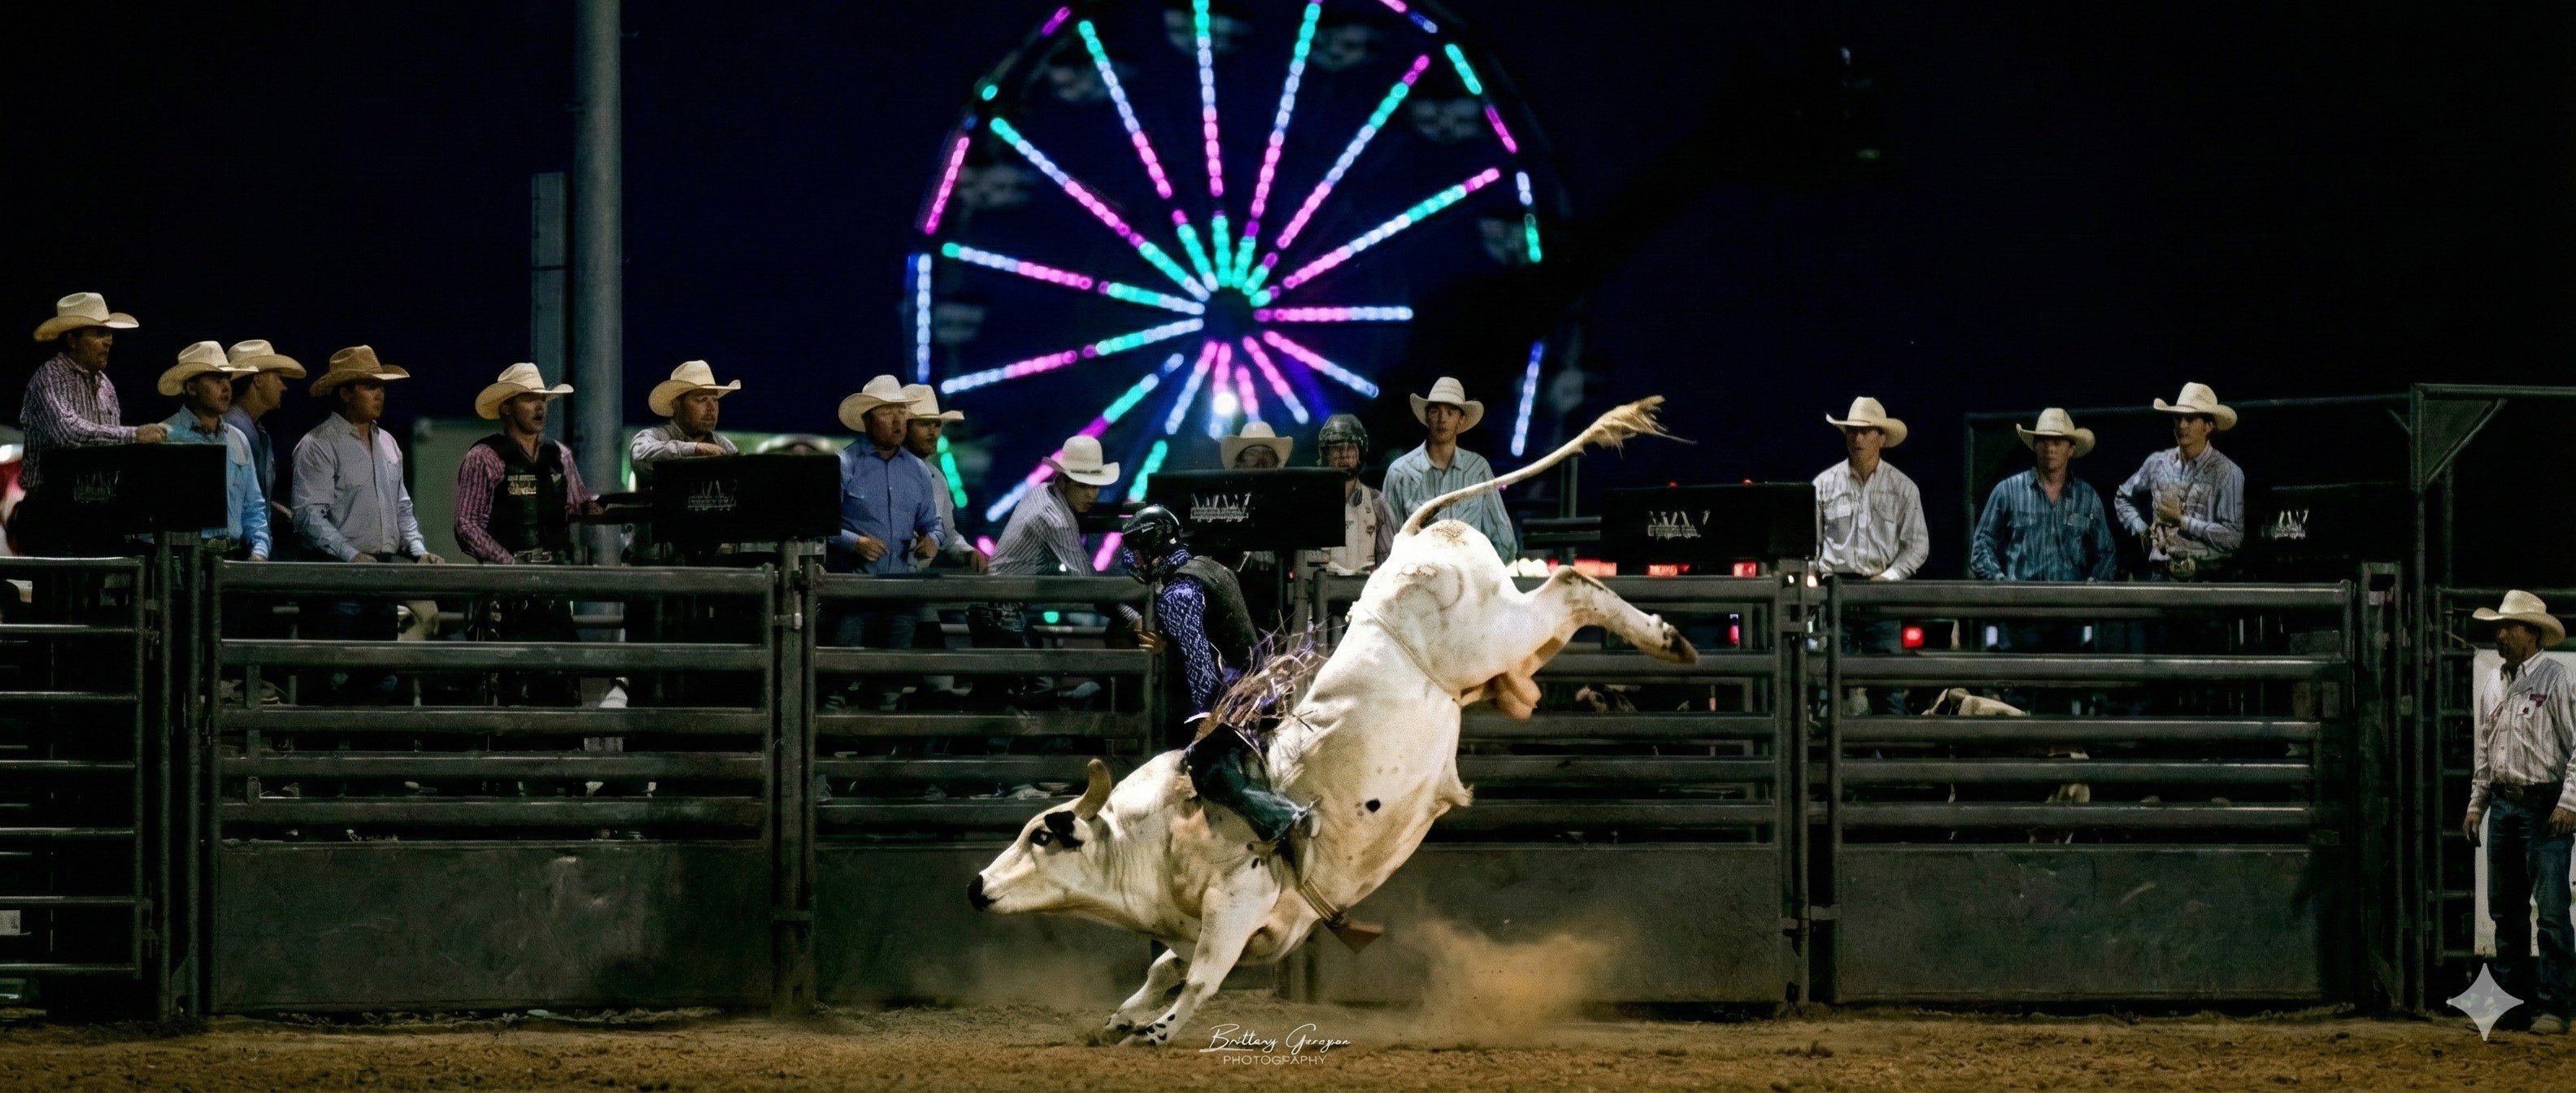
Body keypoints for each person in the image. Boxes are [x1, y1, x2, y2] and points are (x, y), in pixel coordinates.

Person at [1121, 504, 1306, 846]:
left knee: (1208, 769)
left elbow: (1202, 667)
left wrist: (1207, 724)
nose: (1135, 558)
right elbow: (1215, 634)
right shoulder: (1208, 567)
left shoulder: (1177, 594)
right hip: (1259, 688)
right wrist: (1169, 644)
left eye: (1138, 549)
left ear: (1154, 544)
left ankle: (1283, 817)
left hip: (1236, 700)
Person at [291, 346, 442, 700]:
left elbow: (401, 507)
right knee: (336, 675)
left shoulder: (387, 442)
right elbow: (309, 516)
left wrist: (418, 551)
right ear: (346, 393)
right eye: (370, 386)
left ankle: (372, 750)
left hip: (381, 574)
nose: (380, 394)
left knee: (380, 674)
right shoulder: (318, 445)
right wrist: (350, 555)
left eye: (381, 387)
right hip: (338, 578)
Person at [2462, 590, 2576, 1036]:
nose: (2500, 634)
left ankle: (2555, 1005)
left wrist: (2569, 802)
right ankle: (2508, 1003)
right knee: (2505, 910)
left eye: (2508, 626)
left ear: (2530, 634)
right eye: (2499, 626)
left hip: (2545, 805)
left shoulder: (2556, 679)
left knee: (2549, 910)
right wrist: (2478, 804)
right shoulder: (2496, 682)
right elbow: (2486, 751)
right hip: (2507, 803)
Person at [1970, 408, 2114, 712]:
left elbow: (2106, 553)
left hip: (2068, 615)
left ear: (2070, 449)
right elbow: (1981, 545)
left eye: (2058, 442)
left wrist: (2092, 586)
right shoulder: (2008, 491)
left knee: (2060, 696)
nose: (2050, 448)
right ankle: (2021, 757)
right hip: (2021, 613)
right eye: (2044, 441)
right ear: (2034, 446)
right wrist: (2001, 584)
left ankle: (2056, 756)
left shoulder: (2087, 497)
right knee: (2018, 696)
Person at [825, 375, 942, 710]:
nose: (897, 421)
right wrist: (854, 543)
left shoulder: (919, 471)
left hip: (899, 595)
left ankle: (873, 755)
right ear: (867, 419)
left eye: (901, 412)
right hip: (853, 595)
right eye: (887, 412)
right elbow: (821, 524)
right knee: (839, 681)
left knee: (889, 686)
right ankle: (833, 752)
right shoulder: (844, 464)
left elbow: (932, 523)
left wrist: (932, 540)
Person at [18, 293, 165, 555]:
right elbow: (67, 433)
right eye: (98, 334)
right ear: (72, 339)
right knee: (60, 592)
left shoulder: (106, 386)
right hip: (53, 514)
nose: (108, 341)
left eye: (108, 334)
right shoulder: (49, 377)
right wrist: (134, 436)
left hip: (97, 514)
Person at [975, 435, 1119, 699]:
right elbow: (1088, 582)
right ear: (1064, 481)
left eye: (1095, 486)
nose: (1091, 494)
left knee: (1000, 696)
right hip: (1001, 613)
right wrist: (1131, 614)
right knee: (1027, 693)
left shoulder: (1041, 493)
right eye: (1084, 486)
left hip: (997, 608)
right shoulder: (1056, 519)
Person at [1814, 397, 1927, 715]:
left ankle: (1884, 759)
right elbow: (1811, 542)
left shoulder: (1903, 488)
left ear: (1882, 438)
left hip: (1880, 593)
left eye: (1866, 432)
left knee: (1887, 688)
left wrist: (1889, 576)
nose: (1858, 438)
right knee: (1829, 686)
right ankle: (1837, 760)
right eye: (1852, 431)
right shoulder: (1823, 485)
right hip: (1837, 590)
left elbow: (1918, 544)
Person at [2113, 382, 2244, 581]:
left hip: (2207, 580)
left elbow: (2233, 537)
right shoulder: (2158, 463)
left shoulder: (2227, 472)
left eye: (2191, 419)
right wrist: (2141, 529)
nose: (2182, 425)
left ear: (2208, 426)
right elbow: (2123, 496)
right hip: (2162, 576)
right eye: (2178, 418)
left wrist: (2182, 521)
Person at [1380, 377, 1516, 561]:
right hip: (1419, 584)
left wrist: (1478, 578)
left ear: (1461, 420)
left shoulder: (1477, 469)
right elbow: (1387, 546)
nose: (1442, 419)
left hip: (1468, 584)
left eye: (1451, 411)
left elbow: (1505, 543)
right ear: (1427, 417)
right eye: (1436, 411)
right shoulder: (1400, 473)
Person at [155, 342, 268, 560]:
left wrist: (259, 551)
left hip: (232, 560)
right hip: (181, 563)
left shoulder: (238, 439)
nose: (226, 387)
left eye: (228, 379)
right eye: (217, 380)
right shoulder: (166, 437)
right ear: (191, 387)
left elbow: (254, 507)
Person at [899, 383, 987, 573]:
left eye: (937, 424)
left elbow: (947, 535)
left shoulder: (938, 479)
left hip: (911, 590)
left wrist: (967, 553)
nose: (933, 432)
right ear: (904, 428)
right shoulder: (881, 472)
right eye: (924, 424)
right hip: (875, 587)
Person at [220, 339, 304, 528]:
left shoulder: (256, 430)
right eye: (277, 377)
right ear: (257, 380)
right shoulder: (233, 429)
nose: (283, 386)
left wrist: (271, 507)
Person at [1220, 421, 1293, 632]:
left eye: (1267, 454)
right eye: (1253, 453)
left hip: (1278, 595)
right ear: (1240, 463)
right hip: (1237, 595)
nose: (1261, 462)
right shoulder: (1225, 503)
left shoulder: (1287, 504)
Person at [1308, 413, 1395, 576]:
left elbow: (1389, 561)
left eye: (1351, 448)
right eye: (1337, 448)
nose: (1345, 454)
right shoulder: (1311, 503)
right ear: (1326, 453)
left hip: (1364, 596)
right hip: (1320, 595)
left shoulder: (1377, 502)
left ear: (1360, 454)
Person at [632, 359, 740, 468]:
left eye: (715, 400)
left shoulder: (725, 445)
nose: (711, 407)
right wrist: (695, 449)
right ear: (676, 405)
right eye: (701, 399)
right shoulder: (654, 436)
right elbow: (639, 456)